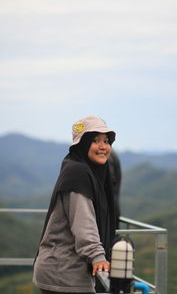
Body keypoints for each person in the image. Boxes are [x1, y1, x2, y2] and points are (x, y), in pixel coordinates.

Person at [33, 115, 117, 294]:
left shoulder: (87, 171)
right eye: (95, 140)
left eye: (106, 141)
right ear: (83, 144)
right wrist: (98, 256)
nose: (103, 147)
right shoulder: (78, 173)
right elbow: (83, 222)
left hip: (66, 271)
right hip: (63, 273)